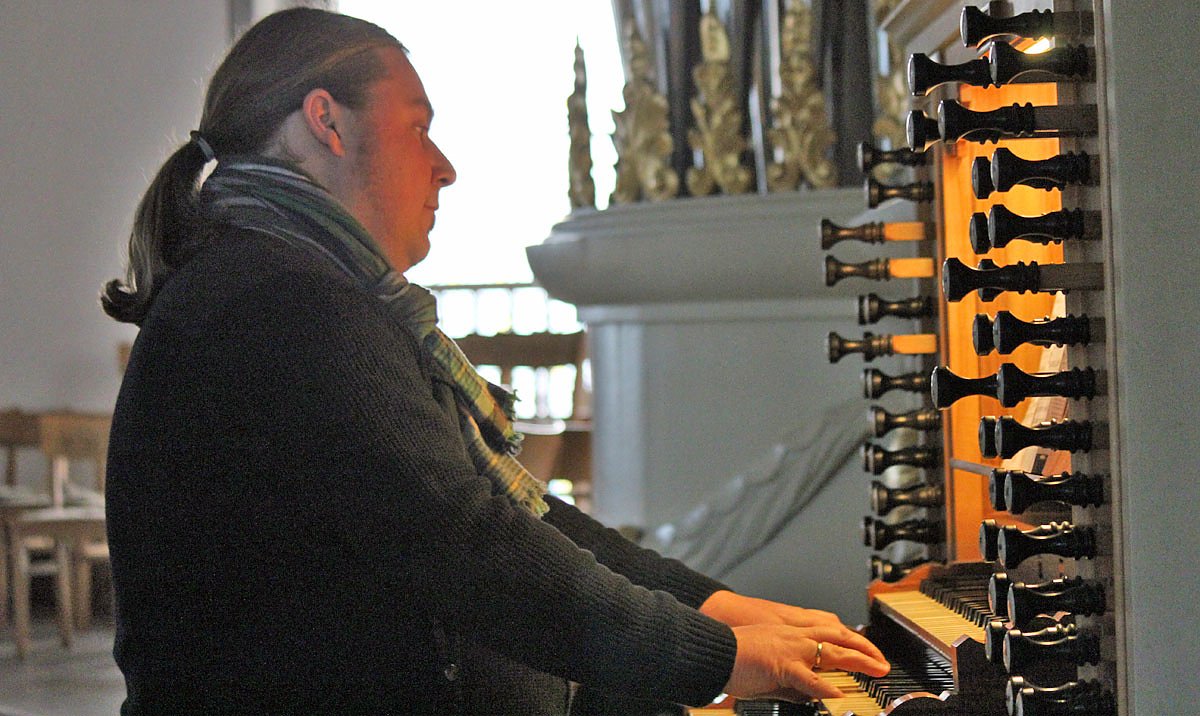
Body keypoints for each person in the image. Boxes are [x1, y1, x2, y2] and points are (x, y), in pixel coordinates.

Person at [101, 8, 889, 715]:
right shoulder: (279, 300)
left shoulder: (286, 281)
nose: (444, 166)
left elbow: (513, 516)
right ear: (327, 122)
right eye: (418, 128)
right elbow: (465, 544)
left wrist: (715, 608)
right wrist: (716, 657)